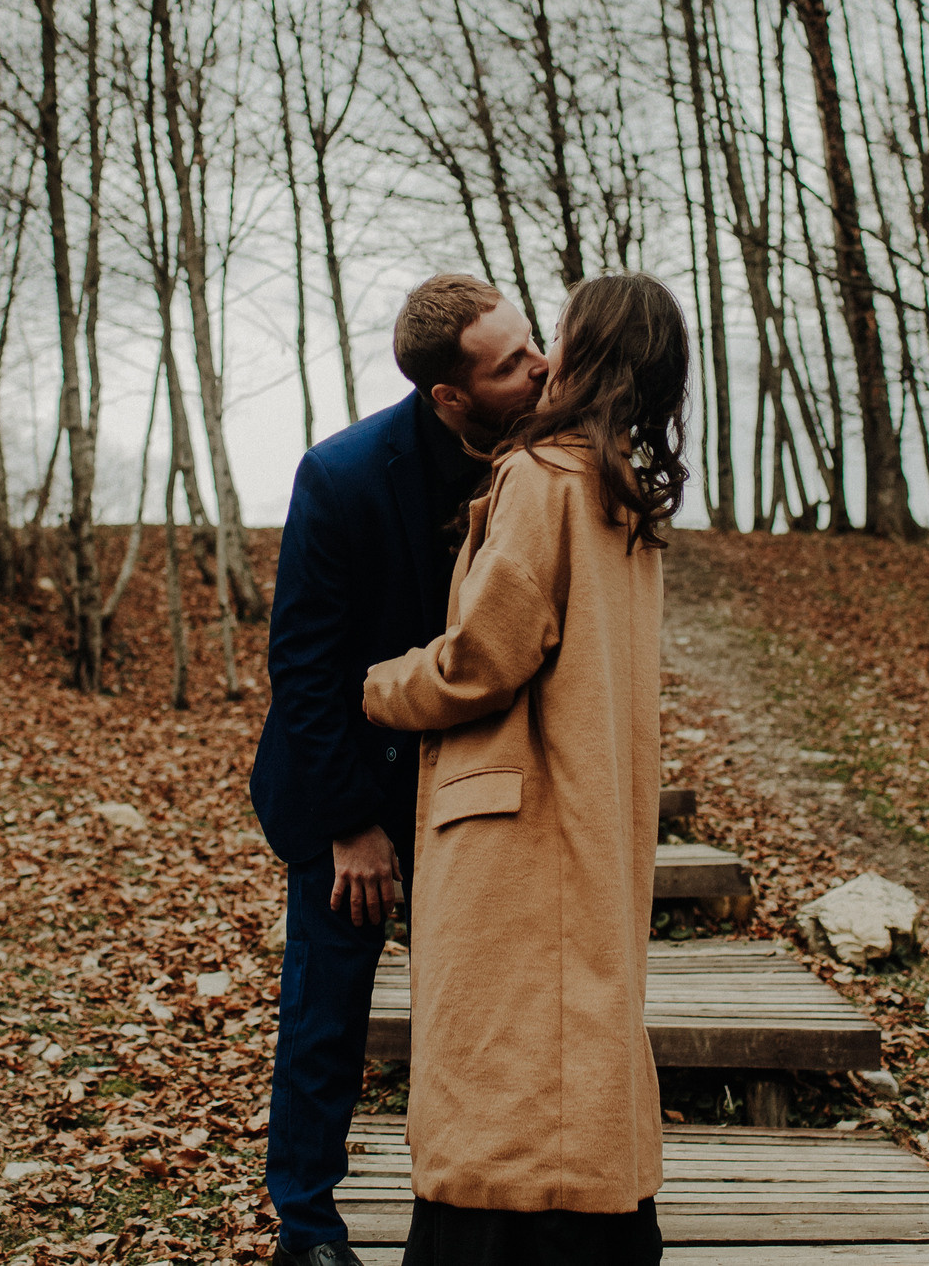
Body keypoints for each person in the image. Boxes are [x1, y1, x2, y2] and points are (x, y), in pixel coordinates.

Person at [362, 272, 692, 1266]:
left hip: (518, 828)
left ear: (587, 352)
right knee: (574, 1052)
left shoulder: (544, 476)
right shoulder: (622, 491)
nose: (545, 357)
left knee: (502, 1079)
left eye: (558, 334)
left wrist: (382, 684)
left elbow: (483, 659)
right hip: (587, 812)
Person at [250, 273, 549, 1266]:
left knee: (481, 1018)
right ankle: (306, 1225)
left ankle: (469, 1216)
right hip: (352, 787)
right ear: (449, 395)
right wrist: (350, 824)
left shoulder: (542, 463)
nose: (539, 366)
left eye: (532, 341)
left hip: (478, 788)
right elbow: (302, 665)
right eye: (511, 363)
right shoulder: (340, 476)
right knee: (327, 1014)